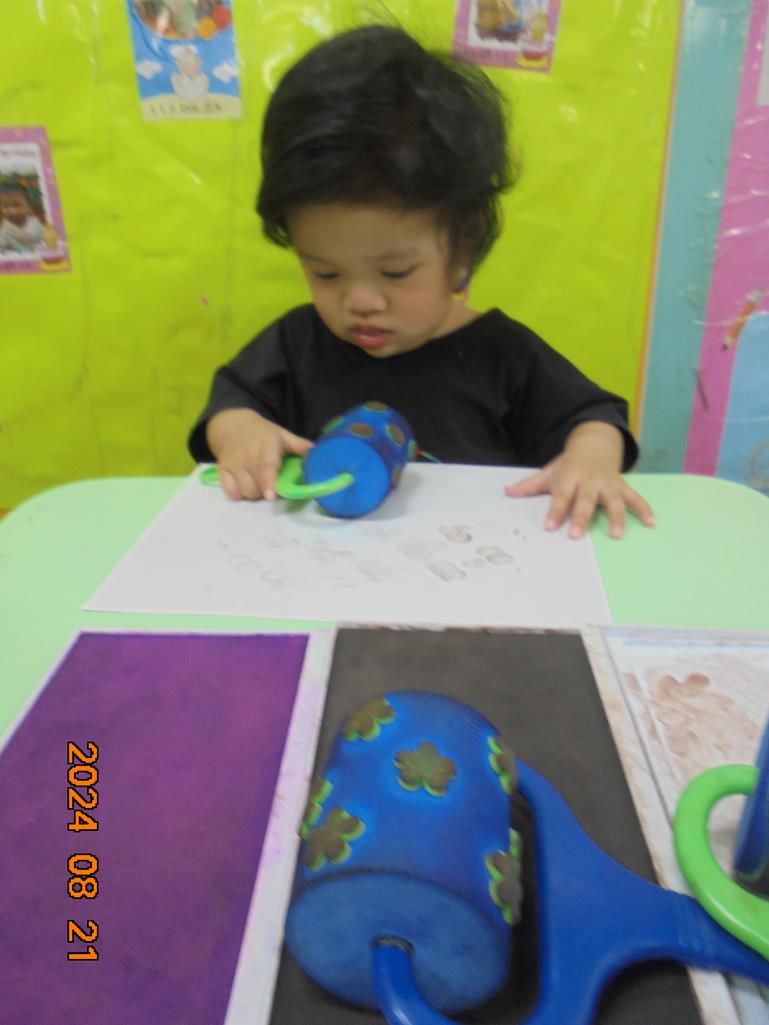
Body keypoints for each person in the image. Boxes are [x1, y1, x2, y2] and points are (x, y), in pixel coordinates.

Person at [188, 25, 654, 539]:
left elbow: (595, 418)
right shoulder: (296, 344)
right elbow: (230, 405)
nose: (360, 300)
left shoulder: (502, 356)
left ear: (465, 244)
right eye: (325, 273)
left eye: (395, 272)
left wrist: (590, 460)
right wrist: (241, 432)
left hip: (471, 565)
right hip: (319, 570)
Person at [0, 184, 45, 253]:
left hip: (33, 254)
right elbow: (2, 240)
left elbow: (30, 238)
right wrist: (3, 246)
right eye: (5, 206)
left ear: (29, 208)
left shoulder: (33, 223)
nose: (11, 211)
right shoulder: (6, 224)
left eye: (17, 205)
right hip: (15, 256)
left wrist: (14, 231)